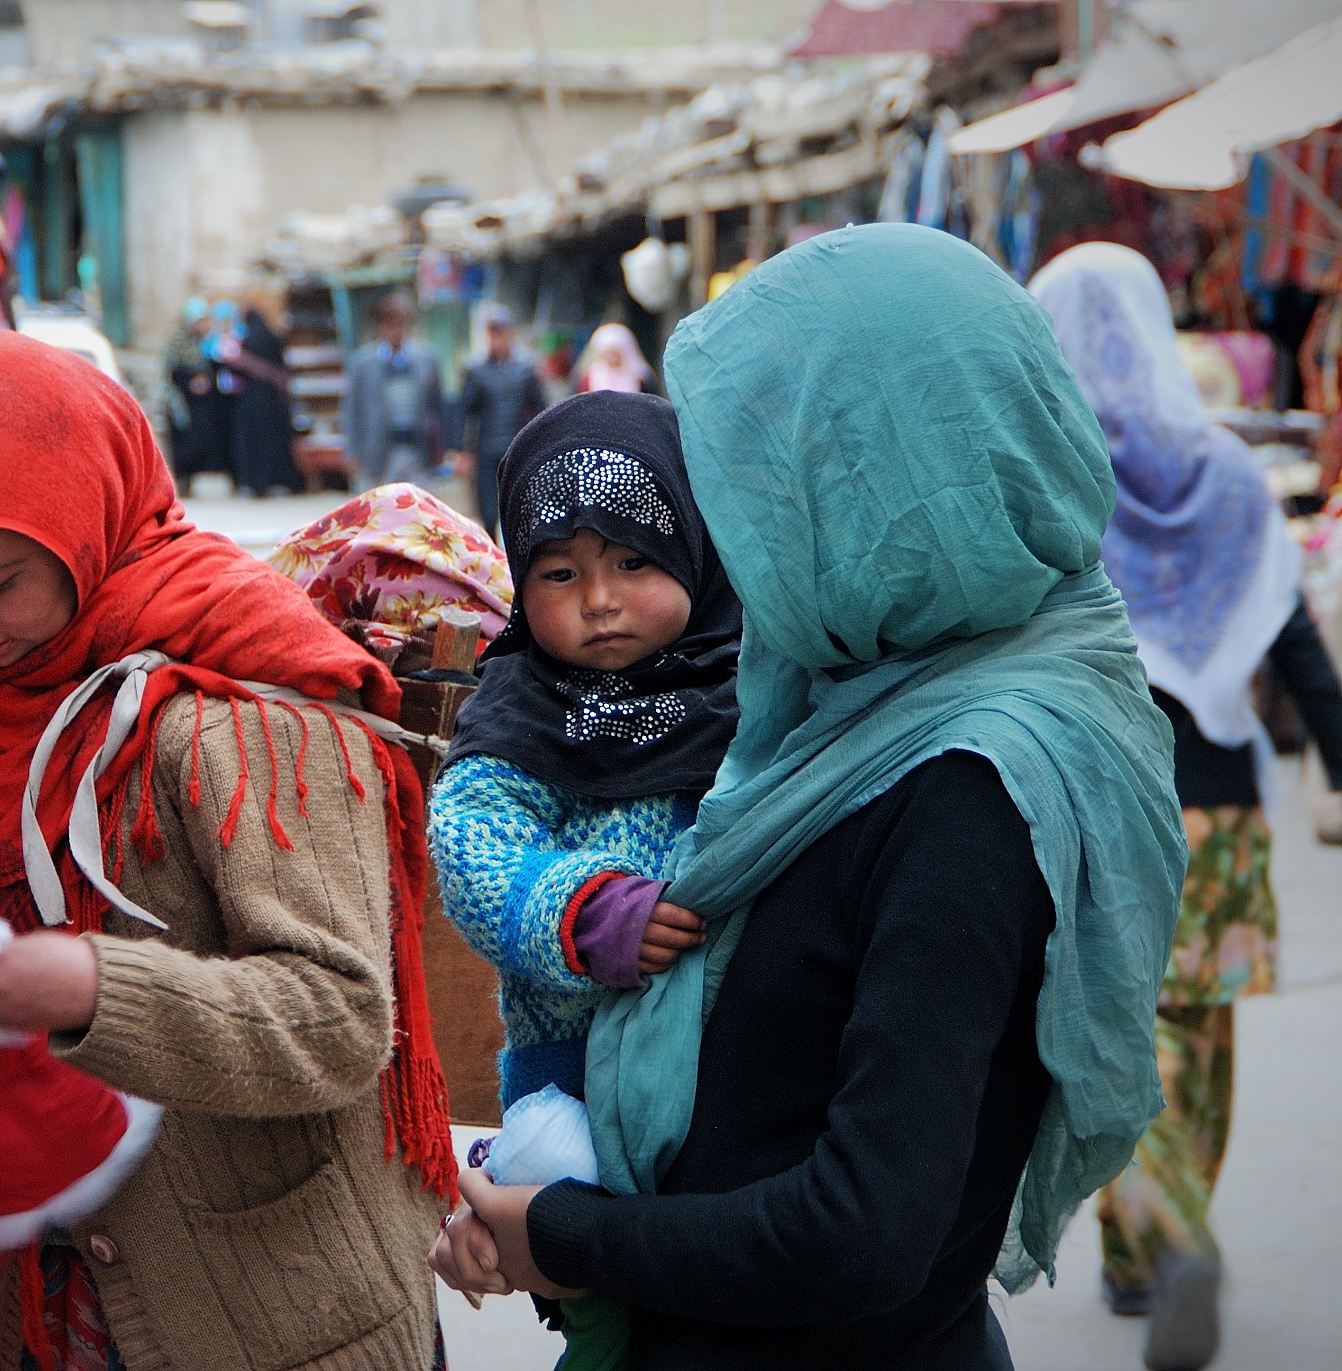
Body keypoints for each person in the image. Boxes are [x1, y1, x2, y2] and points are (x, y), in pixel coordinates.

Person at [431, 223, 1187, 1370]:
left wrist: (570, 1236)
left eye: (770, 472)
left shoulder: (969, 787)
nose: (736, 525)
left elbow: (859, 1232)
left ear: (884, 479)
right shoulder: (826, 705)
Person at [0, 330, 456, 1369]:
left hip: (277, 1324)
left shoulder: (241, 707)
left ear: (82, 522)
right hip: (43, 1311)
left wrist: (88, 988)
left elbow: (337, 1021)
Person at [1030, 243, 1342, 1370]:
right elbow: (1289, 630)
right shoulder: (1220, 473)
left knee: (1120, 1039)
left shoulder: (1058, 481)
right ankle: (1141, 1258)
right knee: (1204, 1043)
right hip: (1223, 821)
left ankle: (1159, 1235)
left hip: (1108, 818)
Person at [431, 391, 740, 1108]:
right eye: (561, 574)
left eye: (633, 561)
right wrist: (591, 912)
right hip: (577, 1075)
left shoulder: (758, 682)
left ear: (694, 545)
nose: (599, 598)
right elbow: (470, 836)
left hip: (735, 1055)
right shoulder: (521, 704)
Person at [453, 305, 547, 538]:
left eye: (501, 332)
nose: (498, 339)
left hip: (517, 449)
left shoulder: (525, 370)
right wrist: (462, 451)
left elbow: (540, 408)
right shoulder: (476, 372)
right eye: (493, 333)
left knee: (519, 508)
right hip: (486, 450)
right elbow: (465, 412)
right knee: (488, 512)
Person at [342, 292, 445, 488]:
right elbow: (352, 411)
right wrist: (352, 452)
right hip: (379, 453)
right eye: (390, 324)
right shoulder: (363, 365)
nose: (396, 330)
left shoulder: (426, 360)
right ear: (380, 327)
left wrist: (441, 447)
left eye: (401, 323)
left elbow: (438, 407)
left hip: (416, 452)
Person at [224, 284, 301, 496]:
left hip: (251, 398)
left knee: (254, 441)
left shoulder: (246, 342)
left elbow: (235, 369)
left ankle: (257, 483)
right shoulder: (274, 337)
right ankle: (279, 480)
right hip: (272, 398)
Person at [160, 295, 215, 494]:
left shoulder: (205, 342)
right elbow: (171, 371)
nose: (202, 325)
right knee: (182, 442)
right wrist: (189, 382)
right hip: (180, 402)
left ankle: (191, 478)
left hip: (198, 403)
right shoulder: (178, 342)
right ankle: (183, 479)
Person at [576, 323, 653, 395]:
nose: (610, 358)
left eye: (614, 353)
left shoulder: (641, 379)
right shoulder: (588, 379)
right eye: (606, 353)